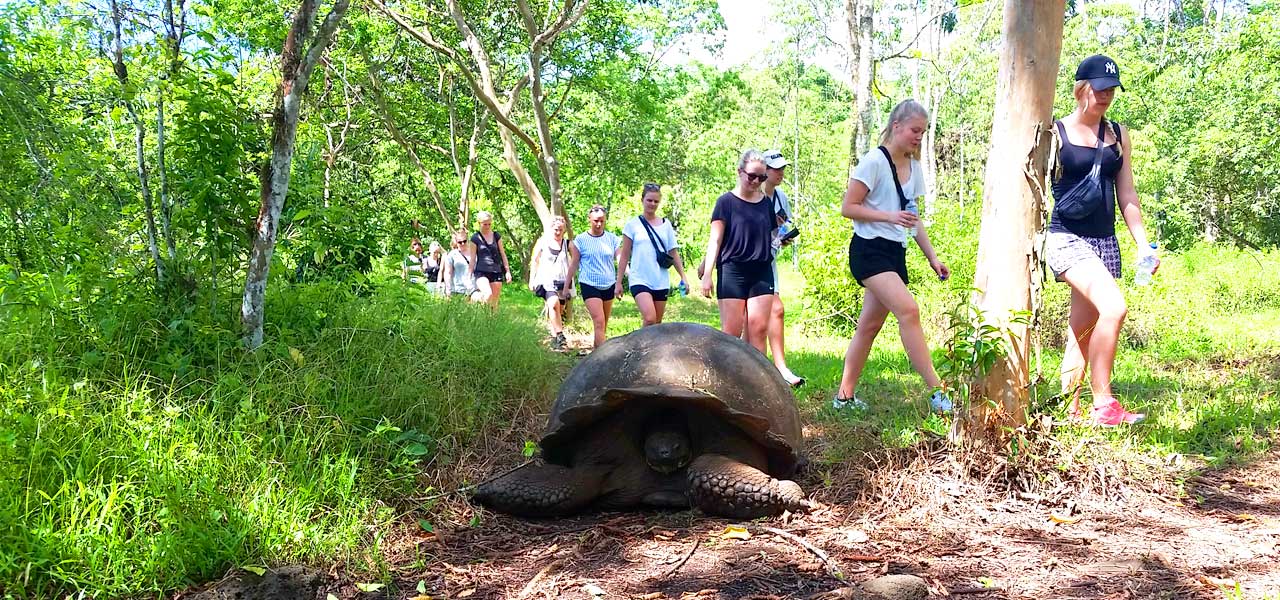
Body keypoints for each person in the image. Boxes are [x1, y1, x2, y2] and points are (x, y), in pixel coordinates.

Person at [1047, 55, 1156, 426]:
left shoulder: (1118, 134)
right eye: (1100, 88)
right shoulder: (1054, 133)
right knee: (1114, 308)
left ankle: (1069, 407)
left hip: (1103, 239)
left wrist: (1142, 244)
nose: (1106, 95)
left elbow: (1127, 194)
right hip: (1066, 235)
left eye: (1112, 89)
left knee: (1084, 327)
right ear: (1082, 88)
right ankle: (1104, 404)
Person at [833, 100, 952, 414]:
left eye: (923, 132)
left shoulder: (914, 168)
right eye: (914, 130)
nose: (918, 137)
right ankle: (938, 392)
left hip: (895, 253)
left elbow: (913, 219)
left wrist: (932, 258)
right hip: (869, 252)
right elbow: (849, 207)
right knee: (909, 310)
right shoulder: (873, 161)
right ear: (896, 126)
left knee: (868, 327)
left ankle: (844, 397)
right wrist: (888, 216)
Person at [701, 150, 777, 354]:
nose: (755, 181)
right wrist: (707, 274)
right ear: (740, 172)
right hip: (732, 270)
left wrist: (780, 241)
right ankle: (726, 379)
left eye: (761, 177)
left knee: (758, 329)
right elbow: (715, 239)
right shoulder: (725, 202)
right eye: (751, 175)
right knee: (731, 334)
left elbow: (771, 235)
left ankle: (759, 383)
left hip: (761, 270)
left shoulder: (765, 203)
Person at [760, 149, 805, 387]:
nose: (780, 173)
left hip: (770, 260)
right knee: (751, 320)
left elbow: (783, 228)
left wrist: (785, 236)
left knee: (775, 310)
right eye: (775, 168)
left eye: (782, 168)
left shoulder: (781, 198)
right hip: (749, 261)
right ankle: (755, 367)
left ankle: (779, 368)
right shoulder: (753, 195)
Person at [617, 183, 689, 327]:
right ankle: (640, 348)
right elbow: (624, 254)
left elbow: (673, 252)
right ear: (642, 200)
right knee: (650, 318)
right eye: (649, 200)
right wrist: (618, 282)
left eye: (656, 201)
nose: (652, 204)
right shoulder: (632, 225)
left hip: (660, 279)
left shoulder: (666, 224)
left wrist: (683, 277)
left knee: (656, 324)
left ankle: (648, 349)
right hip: (639, 278)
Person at [566, 205, 621, 350]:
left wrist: (627, 277)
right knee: (599, 321)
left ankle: (596, 353)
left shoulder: (612, 239)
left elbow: (621, 261)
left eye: (602, 221)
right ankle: (604, 358)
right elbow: (573, 264)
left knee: (603, 324)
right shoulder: (581, 240)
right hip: (589, 283)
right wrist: (567, 286)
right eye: (596, 220)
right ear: (589, 219)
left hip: (608, 283)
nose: (599, 224)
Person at [530, 216, 572, 350]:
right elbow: (535, 260)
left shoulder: (567, 244)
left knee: (560, 308)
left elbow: (577, 259)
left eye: (560, 230)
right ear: (551, 229)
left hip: (563, 281)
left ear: (564, 230)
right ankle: (560, 335)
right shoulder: (543, 242)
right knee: (553, 303)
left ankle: (555, 336)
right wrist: (532, 279)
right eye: (555, 229)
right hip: (546, 280)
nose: (558, 232)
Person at [467, 211, 512, 309]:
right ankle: (474, 298)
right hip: (481, 272)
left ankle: (490, 322)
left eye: (489, 224)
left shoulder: (496, 236)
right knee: (488, 295)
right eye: (485, 224)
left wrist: (507, 271)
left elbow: (503, 254)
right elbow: (473, 258)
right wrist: (469, 275)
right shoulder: (475, 238)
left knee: (494, 303)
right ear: (479, 223)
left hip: (496, 271)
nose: (487, 226)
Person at [442, 232, 475, 299]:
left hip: (473, 288)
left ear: (467, 241)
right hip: (458, 289)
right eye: (460, 242)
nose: (462, 244)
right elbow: (448, 273)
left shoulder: (474, 253)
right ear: (456, 243)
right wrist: (448, 288)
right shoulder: (452, 255)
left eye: (464, 241)